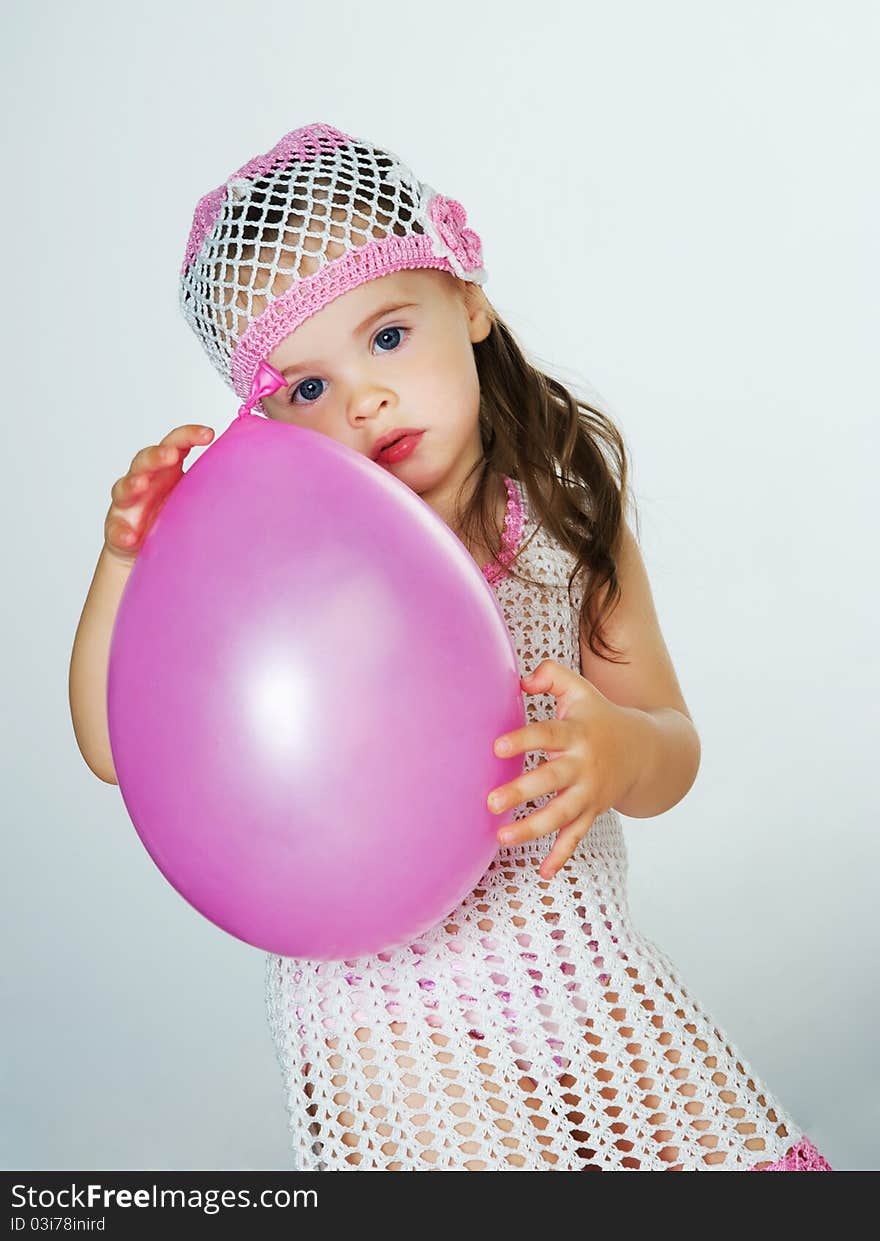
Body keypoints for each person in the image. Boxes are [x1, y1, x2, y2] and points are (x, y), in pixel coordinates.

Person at [68, 121, 833, 1172]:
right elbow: (118, 745)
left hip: (575, 970)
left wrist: (617, 748)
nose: (364, 399)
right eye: (305, 388)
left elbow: (672, 745)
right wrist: (127, 558)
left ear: (465, 297)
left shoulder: (564, 531)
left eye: (386, 337)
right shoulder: (278, 575)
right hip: (388, 1018)